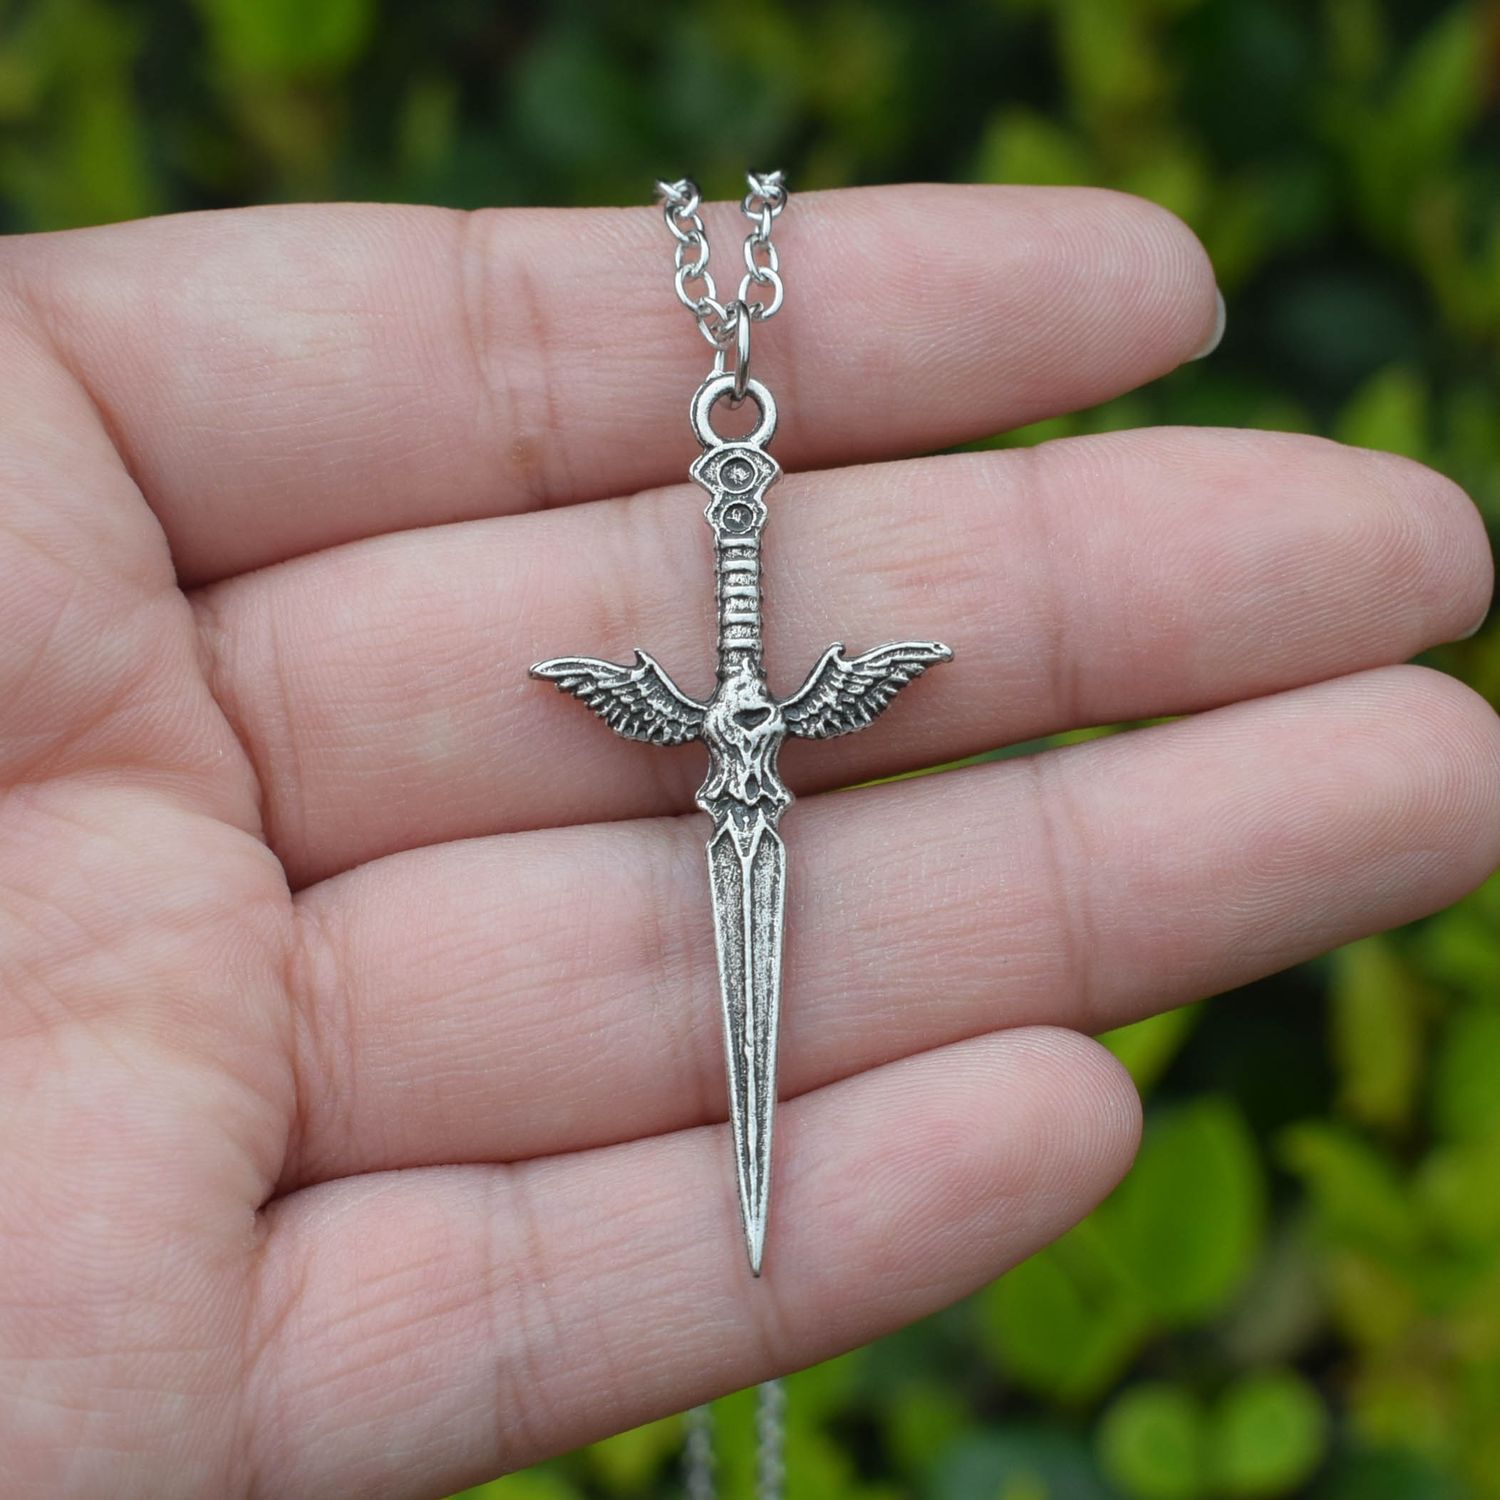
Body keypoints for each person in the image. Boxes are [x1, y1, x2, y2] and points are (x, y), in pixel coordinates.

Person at [0, 184, 1494, 1499]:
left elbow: (856, 680)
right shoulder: (727, 711)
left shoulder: (759, 703)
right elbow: (641, 690)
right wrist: (676, 701)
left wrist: (790, 696)